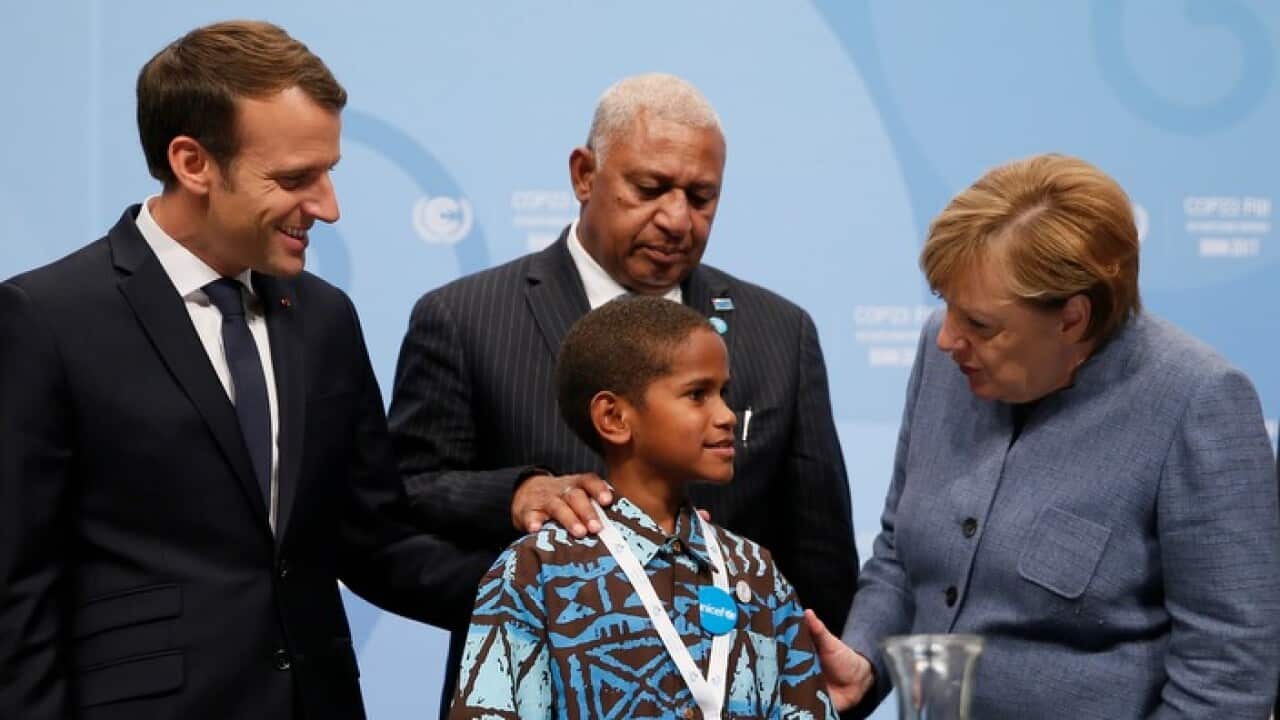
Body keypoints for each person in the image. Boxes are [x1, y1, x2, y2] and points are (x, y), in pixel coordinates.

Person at [0, 21, 487, 720]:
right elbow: (16, 592)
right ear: (193, 162)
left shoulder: (325, 318)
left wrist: (554, 594)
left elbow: (376, 542)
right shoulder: (44, 318)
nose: (327, 207)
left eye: (328, 173)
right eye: (295, 179)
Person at [388, 72, 859, 713]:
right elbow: (399, 506)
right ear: (584, 175)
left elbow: (820, 559)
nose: (676, 219)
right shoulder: (464, 318)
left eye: (701, 197)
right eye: (650, 188)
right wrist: (546, 565)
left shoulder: (780, 332)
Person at [805, 153, 1280, 718]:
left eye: (980, 325)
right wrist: (865, 659)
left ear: (1073, 319)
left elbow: (1227, 678)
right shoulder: (946, 359)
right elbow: (901, 560)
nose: (947, 339)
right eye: (946, 307)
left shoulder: (1198, 402)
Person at [448, 296, 838, 719]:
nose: (726, 415)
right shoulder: (536, 571)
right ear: (613, 417)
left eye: (724, 393)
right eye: (697, 395)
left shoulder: (756, 571)